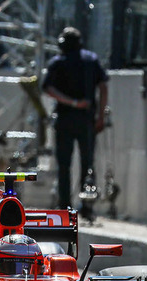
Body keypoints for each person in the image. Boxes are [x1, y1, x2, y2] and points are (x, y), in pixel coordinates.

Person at [42, 26, 109, 210]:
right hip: (87, 119)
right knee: (88, 163)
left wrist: (71, 102)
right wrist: (101, 116)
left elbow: (48, 88)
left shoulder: (58, 62)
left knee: (64, 164)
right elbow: (103, 87)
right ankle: (87, 204)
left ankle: (65, 207)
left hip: (65, 118)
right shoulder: (91, 60)